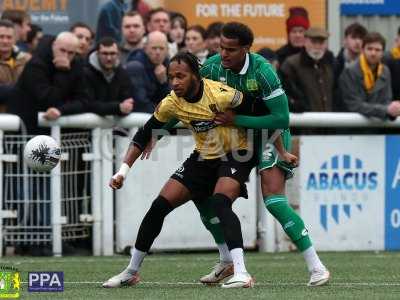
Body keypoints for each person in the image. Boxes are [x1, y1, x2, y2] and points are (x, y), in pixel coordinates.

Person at [142, 22, 330, 287]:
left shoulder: (263, 72)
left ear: (246, 49)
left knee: (274, 201)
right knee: (204, 197)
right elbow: (183, 104)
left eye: (231, 49)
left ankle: (317, 267)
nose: (224, 54)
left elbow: (280, 118)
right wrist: (157, 131)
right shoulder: (212, 67)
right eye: (221, 47)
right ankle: (226, 261)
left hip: (269, 136)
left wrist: (237, 118)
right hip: (230, 141)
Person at [103, 52, 256, 288]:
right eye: (171, 77)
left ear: (195, 75)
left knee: (219, 203)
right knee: (158, 207)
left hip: (237, 154)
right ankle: (131, 271)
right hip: (204, 156)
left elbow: (258, 107)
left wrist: (242, 123)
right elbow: (144, 133)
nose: (175, 82)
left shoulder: (221, 93)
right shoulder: (172, 102)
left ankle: (242, 272)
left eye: (180, 76)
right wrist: (122, 171)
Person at [9, 32, 87, 134]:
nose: (65, 56)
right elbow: (49, 100)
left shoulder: (76, 65)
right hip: (29, 129)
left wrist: (61, 110)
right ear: (54, 45)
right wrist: (62, 72)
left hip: (61, 132)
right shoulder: (36, 65)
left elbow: (84, 101)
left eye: (70, 53)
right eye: (62, 50)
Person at [340, 32, 400, 120]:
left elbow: (386, 100)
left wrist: (393, 109)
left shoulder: (385, 71)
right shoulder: (350, 71)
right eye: (370, 49)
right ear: (362, 49)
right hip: (354, 126)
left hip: (378, 126)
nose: (373, 53)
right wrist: (386, 110)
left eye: (377, 50)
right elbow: (354, 105)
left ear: (383, 52)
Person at [280, 27, 335, 113]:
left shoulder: (330, 64)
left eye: (321, 43)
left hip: (329, 122)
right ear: (305, 42)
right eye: (313, 42)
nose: (317, 46)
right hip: (302, 122)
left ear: (326, 45)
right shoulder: (291, 64)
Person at [85, 37, 133, 116]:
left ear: (118, 54)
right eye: (105, 53)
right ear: (97, 54)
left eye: (112, 53)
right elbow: (88, 104)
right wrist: (118, 107)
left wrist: (125, 108)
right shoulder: (86, 73)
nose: (109, 58)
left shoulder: (123, 74)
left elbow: (127, 102)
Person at [125, 31, 170, 112]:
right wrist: (161, 114)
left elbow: (171, 101)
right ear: (145, 48)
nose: (158, 52)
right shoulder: (135, 66)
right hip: (136, 118)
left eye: (161, 48)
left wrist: (163, 83)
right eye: (154, 48)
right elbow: (140, 103)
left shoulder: (167, 64)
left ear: (167, 50)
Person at [0, 20, 30, 112]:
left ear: (15, 39)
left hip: (22, 118)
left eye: (9, 37)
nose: (5, 41)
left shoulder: (27, 60)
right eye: (1, 37)